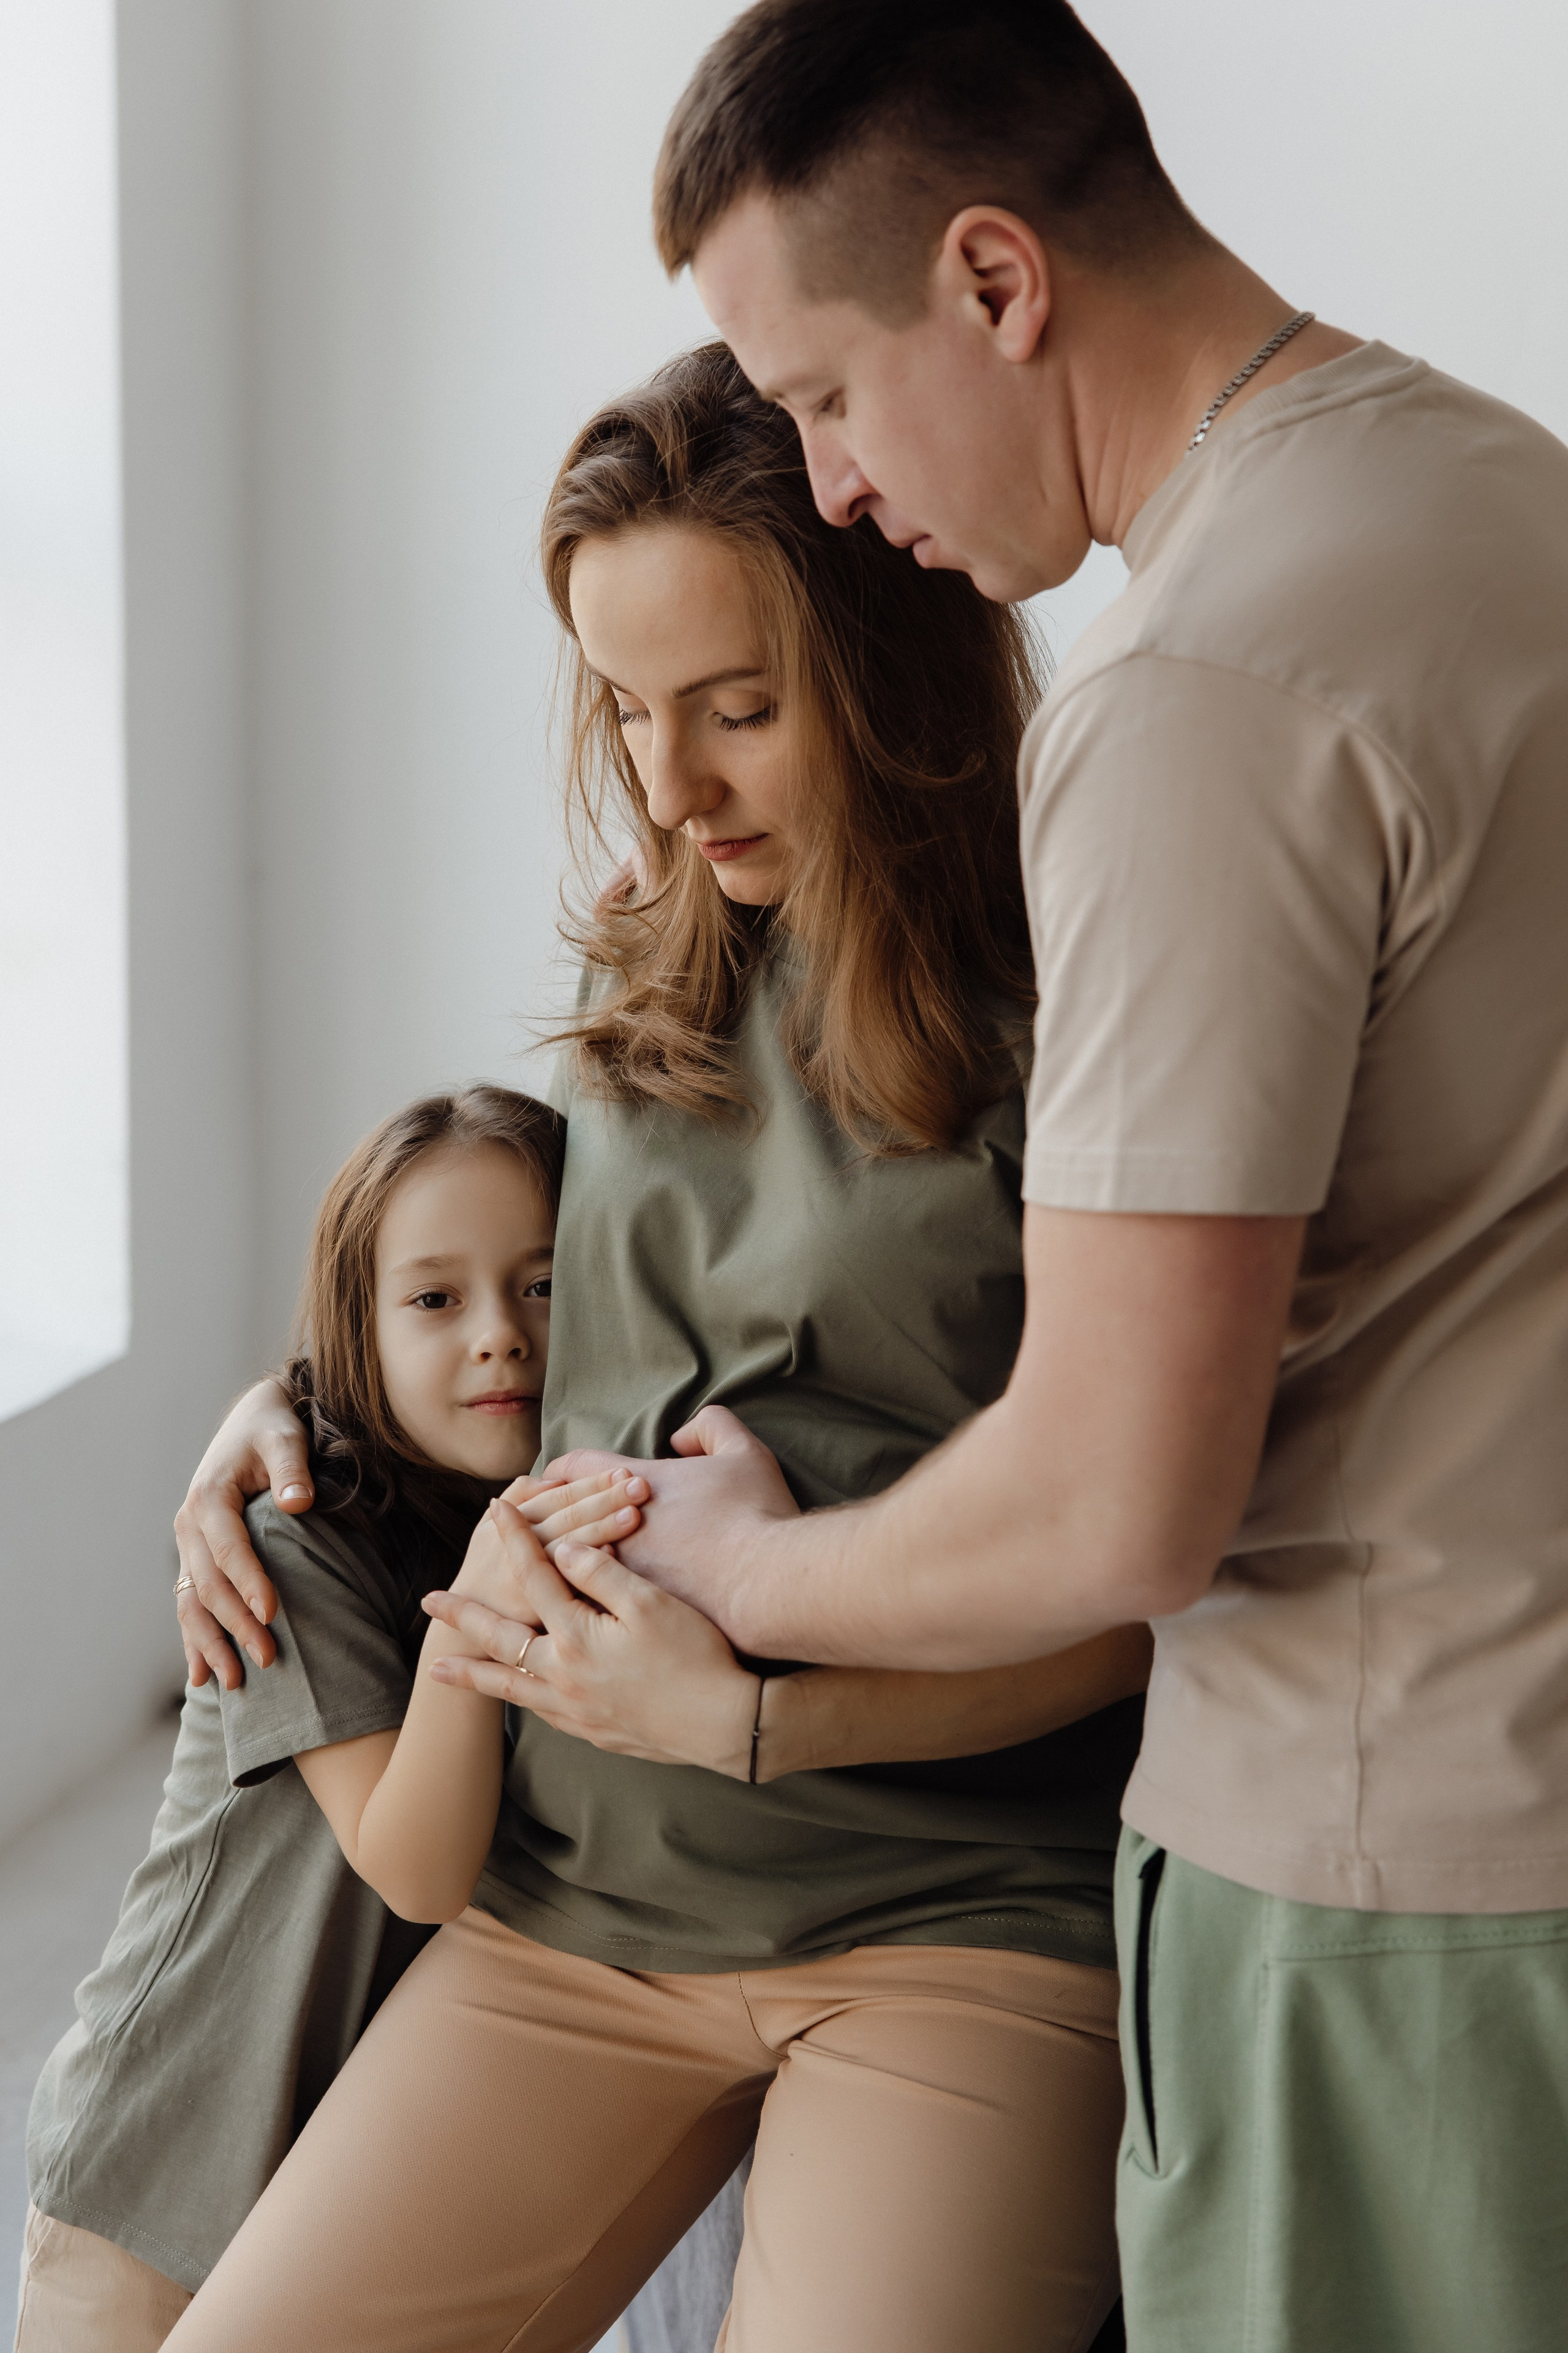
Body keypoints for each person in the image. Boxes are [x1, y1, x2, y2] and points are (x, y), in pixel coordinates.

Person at [434, 5, 1563, 2348]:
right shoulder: (1500, 491)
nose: (841, 486)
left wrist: (747, 1573)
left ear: (995, 277)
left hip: (1382, 1868)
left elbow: (1120, 1508)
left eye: (831, 397)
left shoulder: (1195, 695)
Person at [162, 342, 1148, 2353]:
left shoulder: (1093, 1003)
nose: (672, 785)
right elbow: (520, 1306)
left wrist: (772, 1725)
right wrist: (290, 1411)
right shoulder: (650, 966)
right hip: (577, 1907)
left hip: (962, 1920)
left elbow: (1151, 1580)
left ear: (890, 672)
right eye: (627, 709)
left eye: (739, 709)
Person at [18, 1086, 642, 2347]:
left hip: (353, 2176)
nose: (500, 1336)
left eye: (541, 1282)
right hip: (166, 2166)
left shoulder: (559, 1509)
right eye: (435, 1298)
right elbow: (415, 1866)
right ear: (360, 1329)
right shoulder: (297, 1543)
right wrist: (472, 1615)